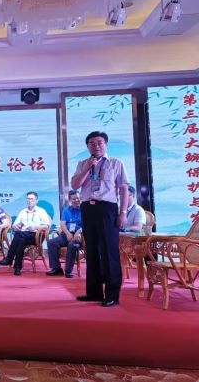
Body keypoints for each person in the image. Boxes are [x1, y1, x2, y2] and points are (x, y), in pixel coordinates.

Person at [71, 131, 129, 307]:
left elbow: (123, 188)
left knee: (109, 252)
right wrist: (88, 167)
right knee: (92, 251)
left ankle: (112, 294)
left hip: (107, 209)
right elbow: (75, 185)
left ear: (106, 144)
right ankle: (94, 292)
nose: (96, 146)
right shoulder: (82, 164)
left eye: (99, 142)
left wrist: (123, 212)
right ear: (87, 146)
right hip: (87, 208)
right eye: (92, 143)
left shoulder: (116, 163)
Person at [0, 191, 50, 276]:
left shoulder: (41, 211)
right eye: (28, 199)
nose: (29, 201)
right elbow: (15, 224)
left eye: (32, 199)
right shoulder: (23, 211)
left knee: (19, 235)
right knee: (21, 239)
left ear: (36, 200)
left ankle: (9, 259)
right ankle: (17, 268)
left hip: (36, 236)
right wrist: (15, 226)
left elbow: (46, 226)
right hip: (23, 235)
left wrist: (35, 227)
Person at [46, 190, 83, 278]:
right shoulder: (66, 210)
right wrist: (67, 233)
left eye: (78, 198)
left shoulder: (85, 209)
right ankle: (57, 268)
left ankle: (68, 271)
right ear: (70, 200)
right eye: (73, 199)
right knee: (51, 243)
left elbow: (89, 224)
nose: (76, 200)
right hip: (67, 233)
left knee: (72, 245)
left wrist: (79, 231)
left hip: (80, 235)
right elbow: (62, 224)